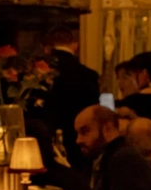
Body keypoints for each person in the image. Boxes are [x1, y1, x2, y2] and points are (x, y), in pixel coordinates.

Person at [35, 25, 102, 167]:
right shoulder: (88, 75)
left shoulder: (38, 74)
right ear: (75, 45)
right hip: (77, 140)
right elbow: (93, 112)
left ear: (48, 47)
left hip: (44, 141)